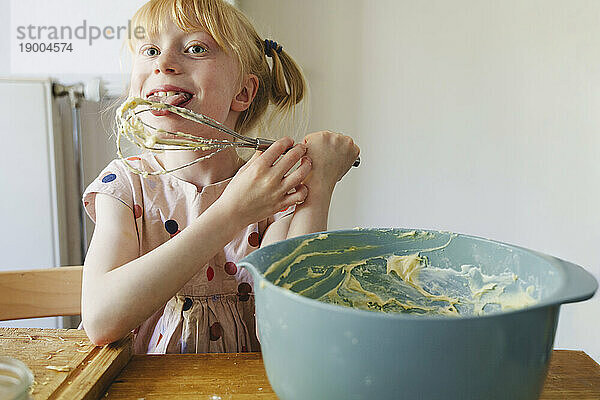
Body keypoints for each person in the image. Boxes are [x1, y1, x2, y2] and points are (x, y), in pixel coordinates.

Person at [81, 0, 360, 354]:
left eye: (195, 48)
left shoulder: (273, 191)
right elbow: (101, 320)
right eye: (150, 49)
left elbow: (291, 336)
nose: (162, 63)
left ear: (242, 93)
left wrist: (318, 183)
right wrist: (231, 213)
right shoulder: (125, 186)